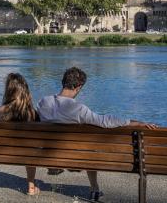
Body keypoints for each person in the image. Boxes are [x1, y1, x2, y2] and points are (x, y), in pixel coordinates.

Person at [36, 67, 157, 201]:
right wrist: (135, 123)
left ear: (63, 82)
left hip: (50, 154)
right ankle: (94, 189)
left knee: (86, 146)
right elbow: (105, 121)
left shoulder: (43, 103)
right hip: (78, 157)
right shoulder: (79, 109)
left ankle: (55, 168)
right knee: (89, 148)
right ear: (79, 87)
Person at [0, 73, 41, 196]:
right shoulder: (32, 113)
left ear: (8, 91)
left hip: (1, 153)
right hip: (26, 154)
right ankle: (31, 186)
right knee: (31, 148)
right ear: (24, 90)